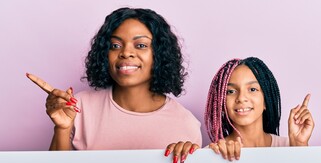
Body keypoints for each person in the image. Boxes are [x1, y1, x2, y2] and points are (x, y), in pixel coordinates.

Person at [26, 7, 202, 150]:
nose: (125, 53)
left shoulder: (185, 123)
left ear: (160, 55)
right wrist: (62, 129)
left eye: (140, 45)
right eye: (115, 45)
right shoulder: (79, 107)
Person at [166, 57, 314, 163]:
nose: (241, 98)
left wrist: (299, 146)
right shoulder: (211, 154)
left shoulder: (290, 147)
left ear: (266, 101)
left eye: (253, 89)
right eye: (230, 91)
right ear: (221, 103)